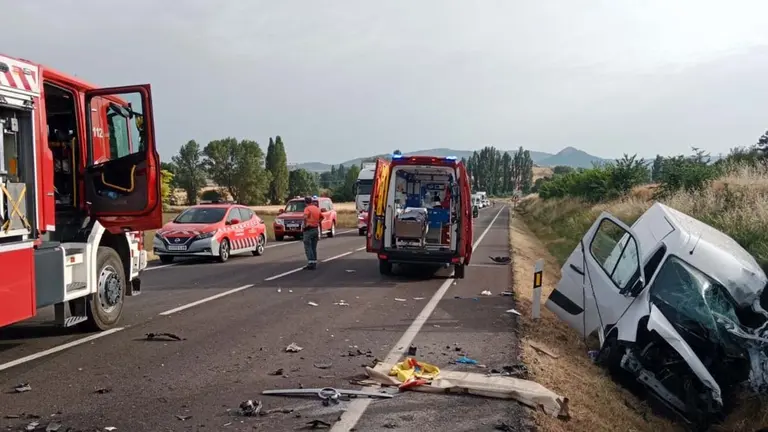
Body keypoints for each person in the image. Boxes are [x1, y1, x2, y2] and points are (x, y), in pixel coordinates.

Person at [302, 196, 323, 270]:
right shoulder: (316, 208)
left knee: (307, 245)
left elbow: (305, 217)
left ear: (305, 202)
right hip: (315, 229)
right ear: (311, 201)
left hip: (309, 229)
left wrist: (304, 226)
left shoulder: (307, 208)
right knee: (314, 247)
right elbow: (322, 217)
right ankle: (314, 262)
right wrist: (317, 222)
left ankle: (310, 262)